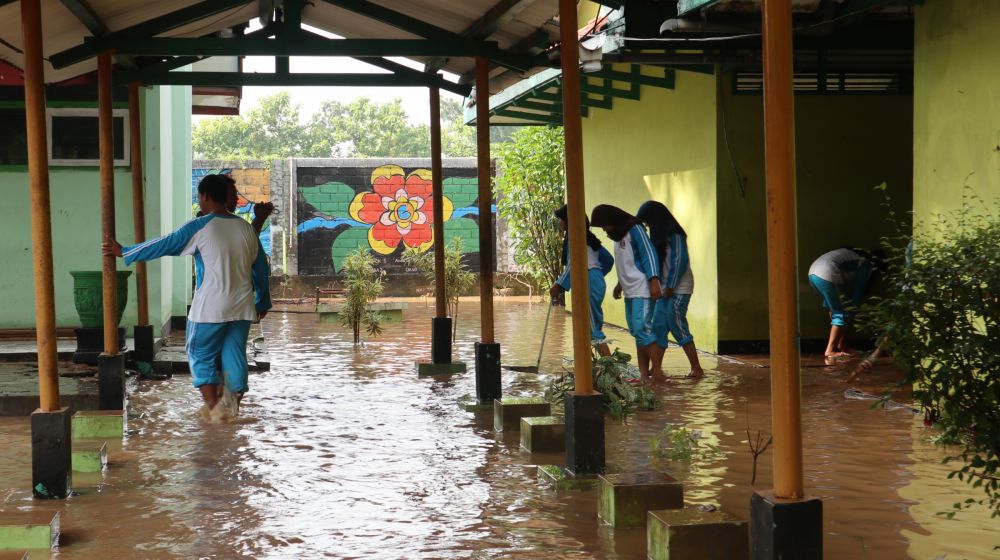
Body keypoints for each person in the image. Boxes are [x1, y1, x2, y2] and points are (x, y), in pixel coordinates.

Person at [103, 174, 272, 411]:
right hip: (242, 307)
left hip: (210, 308)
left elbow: (165, 243)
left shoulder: (200, 226)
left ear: (204, 196)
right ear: (227, 197)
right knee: (234, 355)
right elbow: (261, 269)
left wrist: (126, 252)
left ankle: (213, 410)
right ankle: (231, 411)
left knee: (199, 352)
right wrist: (262, 301)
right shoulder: (247, 229)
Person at [590, 204, 662, 378]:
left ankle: (658, 371)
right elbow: (626, 263)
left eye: (604, 225)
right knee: (637, 332)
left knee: (642, 328)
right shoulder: (618, 236)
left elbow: (649, 254)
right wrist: (619, 284)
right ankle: (644, 373)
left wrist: (654, 280)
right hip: (630, 290)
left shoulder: (635, 229)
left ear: (612, 220)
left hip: (642, 288)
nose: (605, 230)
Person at [636, 200, 704, 377]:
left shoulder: (675, 235)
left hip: (679, 288)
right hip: (666, 288)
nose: (647, 226)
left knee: (676, 321)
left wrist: (671, 286)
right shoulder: (659, 236)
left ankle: (696, 368)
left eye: (647, 222)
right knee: (658, 325)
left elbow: (679, 261)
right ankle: (656, 368)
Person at [549, 205, 614, 357]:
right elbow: (608, 260)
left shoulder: (576, 239)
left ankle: (612, 370)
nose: (559, 222)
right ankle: (593, 368)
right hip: (594, 279)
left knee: (592, 330)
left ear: (568, 220)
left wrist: (558, 285)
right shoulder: (589, 239)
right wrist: (597, 274)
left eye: (560, 219)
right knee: (589, 327)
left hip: (589, 281)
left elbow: (574, 265)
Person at [807, 247, 880, 364]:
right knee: (841, 312)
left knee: (835, 309)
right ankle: (830, 350)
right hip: (827, 273)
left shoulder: (852, 255)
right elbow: (856, 295)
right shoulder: (867, 264)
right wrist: (852, 312)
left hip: (813, 273)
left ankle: (842, 346)